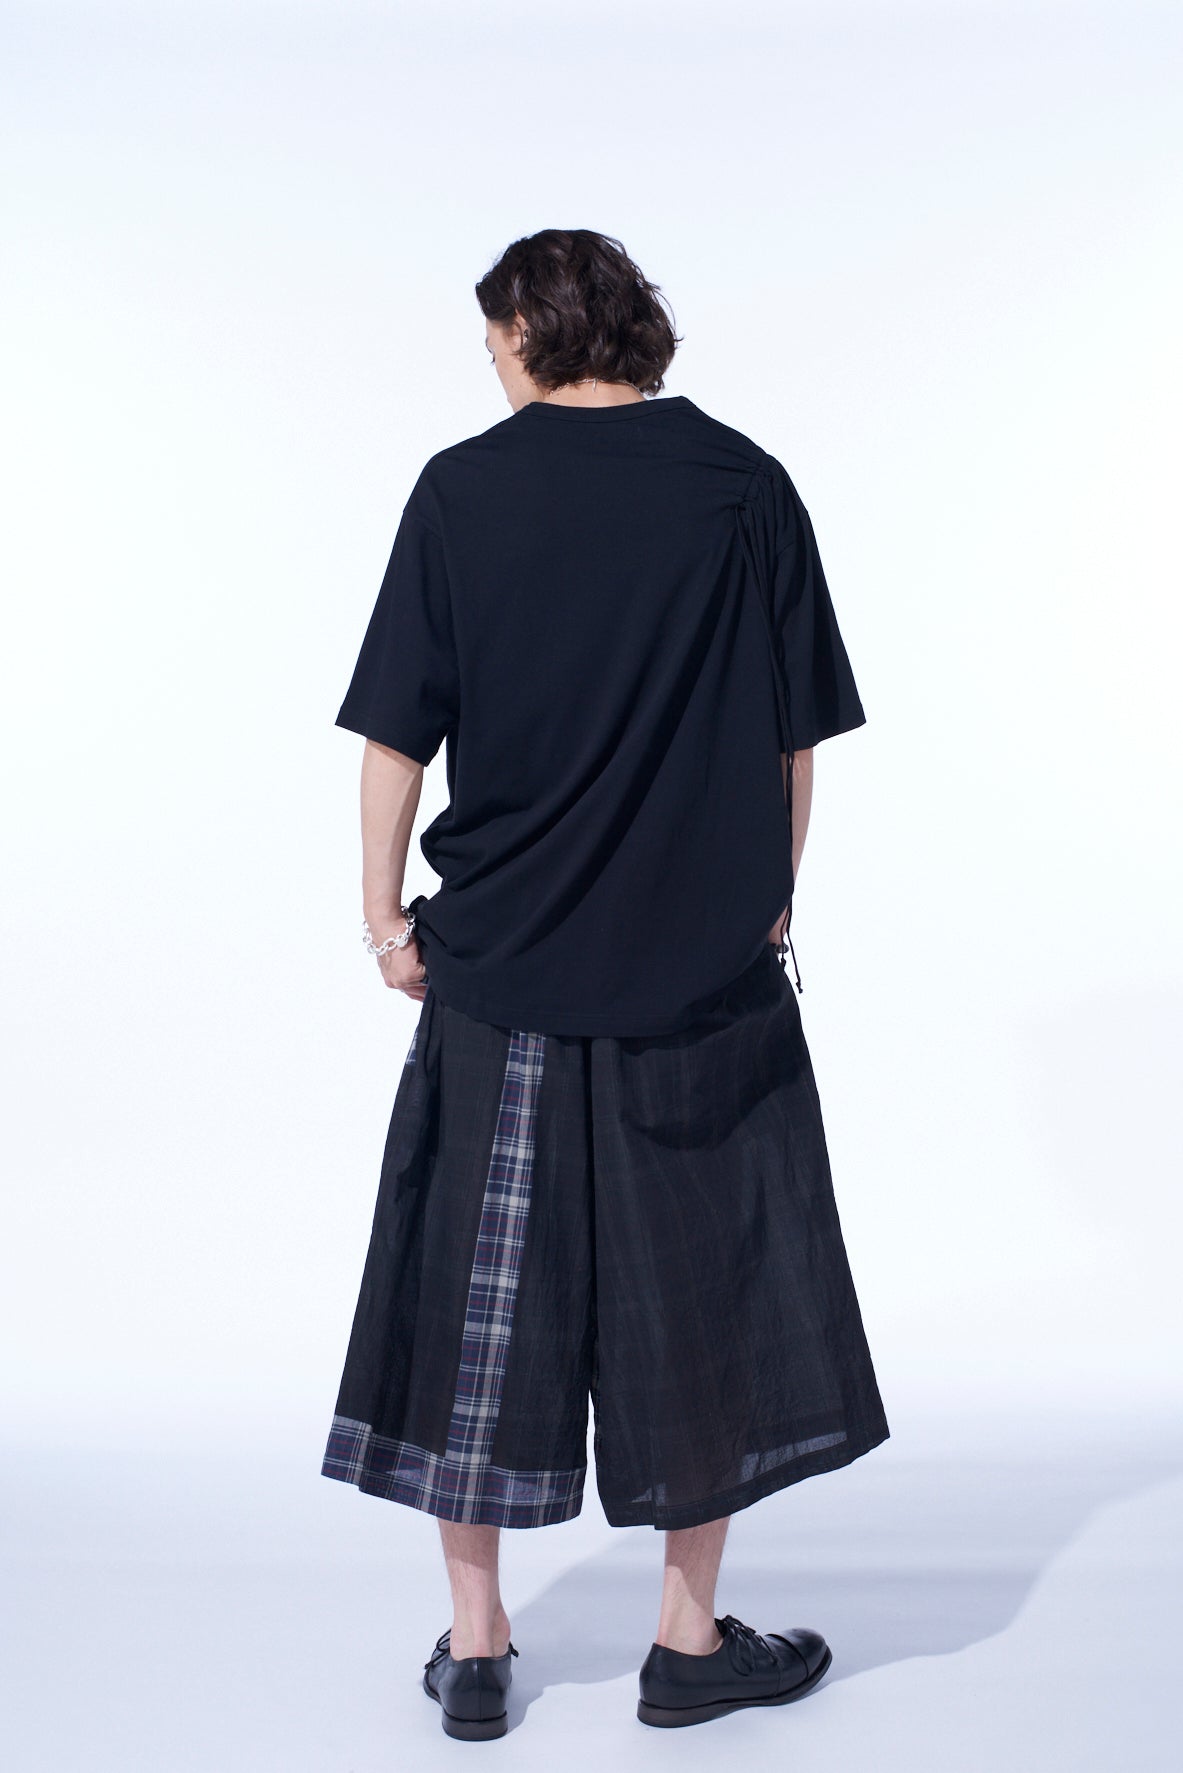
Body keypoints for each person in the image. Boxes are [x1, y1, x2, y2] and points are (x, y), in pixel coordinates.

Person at [321, 228, 890, 1740]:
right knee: (703, 1305)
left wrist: (384, 922)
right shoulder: (742, 485)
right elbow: (795, 740)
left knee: (474, 1305)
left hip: (500, 969)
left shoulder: (462, 490)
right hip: (697, 979)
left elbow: (395, 737)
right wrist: (767, 902)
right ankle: (686, 1646)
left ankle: (479, 1647)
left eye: (492, 341)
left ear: (530, 327)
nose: (490, 367)